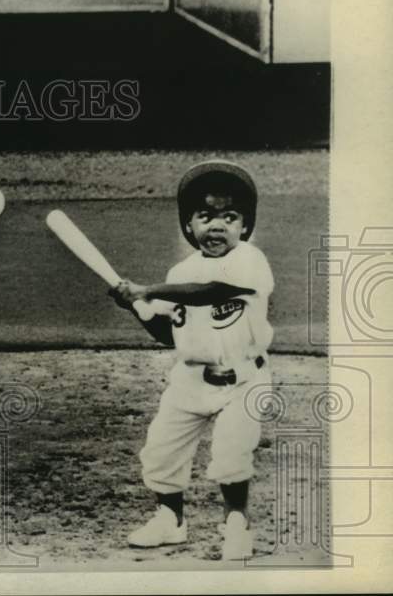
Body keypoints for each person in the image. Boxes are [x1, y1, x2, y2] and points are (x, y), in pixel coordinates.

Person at [109, 160, 274, 561]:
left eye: (229, 217)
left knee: (231, 453)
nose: (217, 225)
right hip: (191, 380)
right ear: (188, 226)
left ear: (245, 227)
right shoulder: (180, 271)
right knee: (161, 451)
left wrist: (146, 289)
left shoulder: (249, 261)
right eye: (205, 215)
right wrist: (137, 308)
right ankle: (170, 520)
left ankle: (237, 525)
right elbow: (171, 333)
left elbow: (211, 291)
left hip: (243, 381)